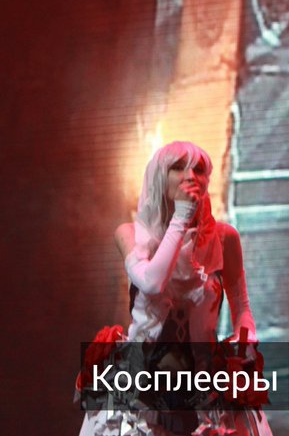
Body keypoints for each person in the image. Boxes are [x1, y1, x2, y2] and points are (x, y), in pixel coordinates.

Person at [78, 141, 272, 436]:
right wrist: (181, 216)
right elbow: (152, 283)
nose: (191, 176)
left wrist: (245, 342)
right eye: (178, 167)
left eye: (199, 169)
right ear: (159, 176)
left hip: (204, 381)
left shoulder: (225, 238)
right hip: (141, 381)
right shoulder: (130, 234)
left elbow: (242, 307)